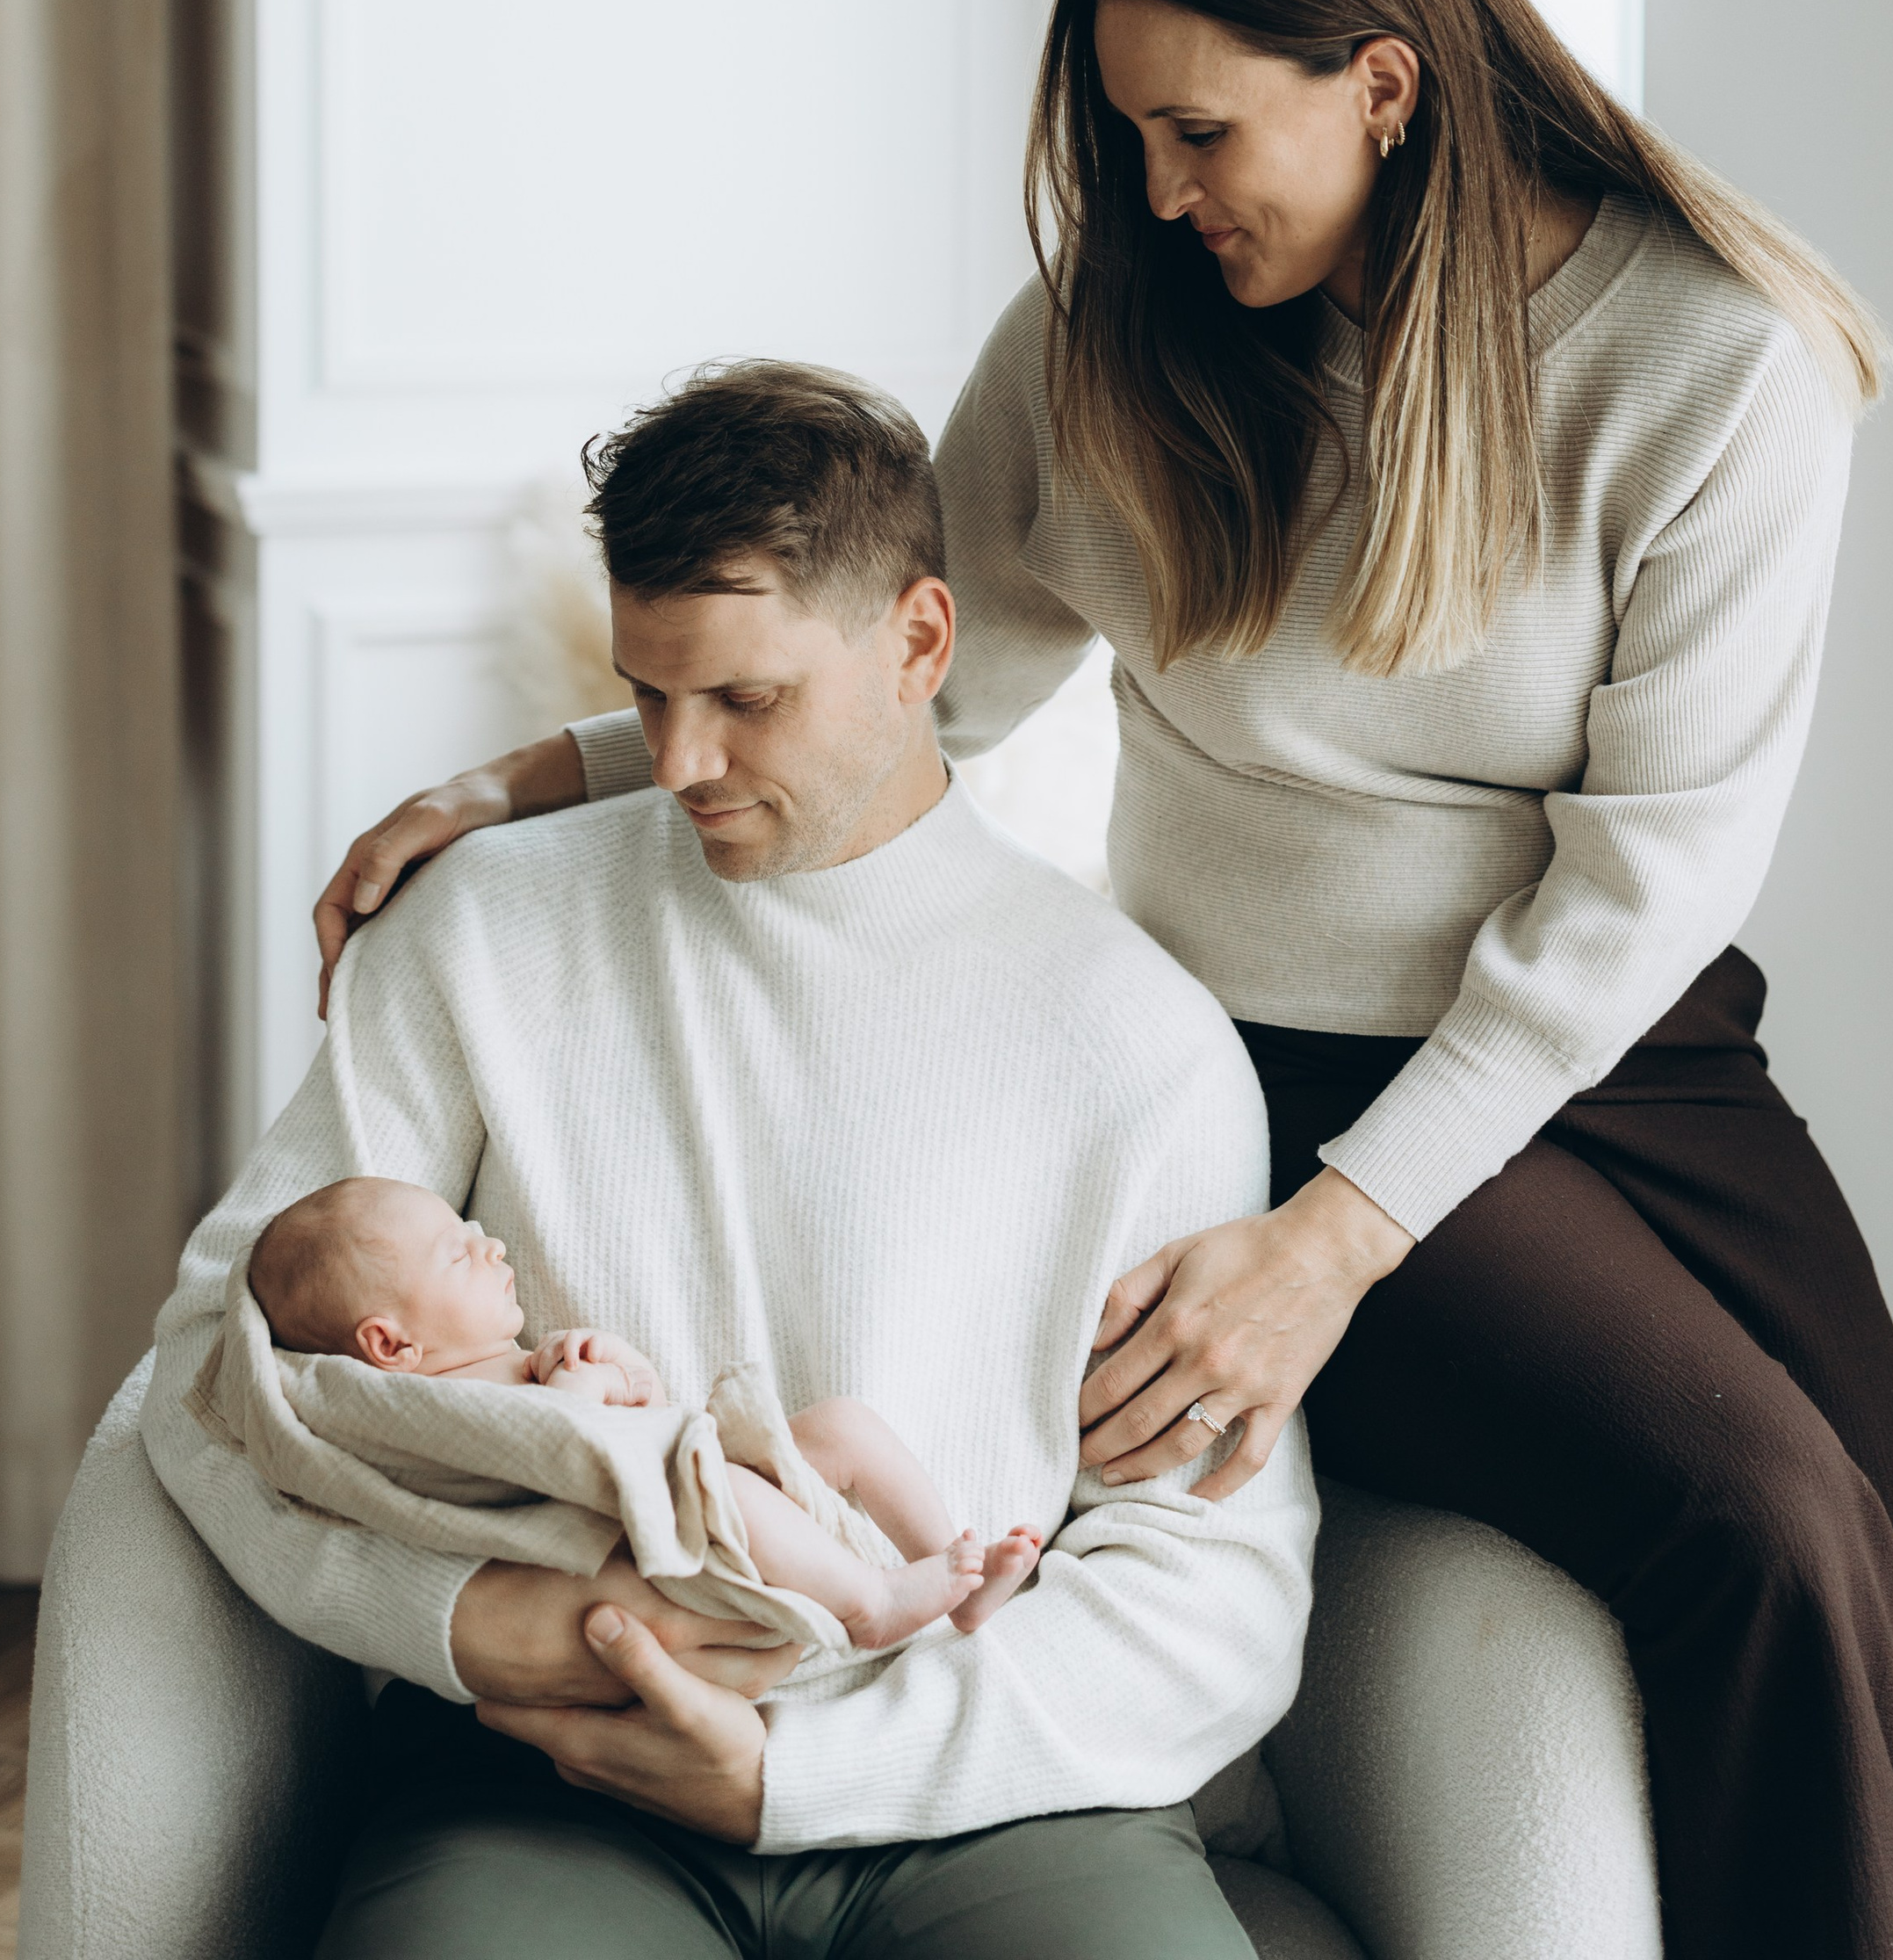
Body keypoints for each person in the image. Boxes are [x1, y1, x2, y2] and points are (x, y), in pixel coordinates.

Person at [321, 0, 1893, 1960]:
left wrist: (1340, 1249)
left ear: (1380, 82)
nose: (1159, 195)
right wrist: (540, 771)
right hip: (1271, 1072)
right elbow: (914, 676)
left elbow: (1648, 876)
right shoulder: (1124, 330)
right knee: (1758, 1521)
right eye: (1129, 138)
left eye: (1197, 133)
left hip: (1620, 1049)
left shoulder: (1714, 356)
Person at [151, 359, 1314, 1959]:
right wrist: (486, 1626)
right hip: (552, 1763)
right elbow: (217, 1364)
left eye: (746, 699)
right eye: (646, 694)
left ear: (919, 641)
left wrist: (797, 1767)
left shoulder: (1142, 1042)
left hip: (994, 1793)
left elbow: (1210, 1582)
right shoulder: (483, 931)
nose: (681, 760)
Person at [246, 1174, 1045, 1644]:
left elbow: (643, 1423)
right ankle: (869, 1603)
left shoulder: (516, 1365)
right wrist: (586, 1392)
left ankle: (953, 1575)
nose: (490, 1245)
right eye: (458, 1252)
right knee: (731, 1488)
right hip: (684, 1537)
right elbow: (552, 1449)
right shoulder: (430, 1407)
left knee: (841, 1425)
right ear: (390, 1346)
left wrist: (625, 1374)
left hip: (693, 1479)